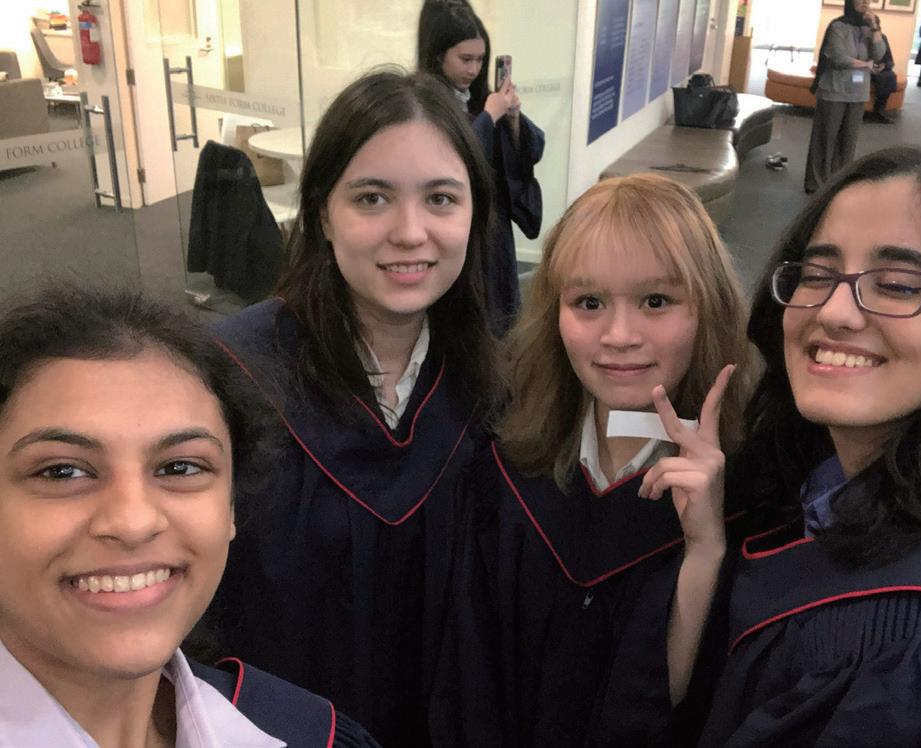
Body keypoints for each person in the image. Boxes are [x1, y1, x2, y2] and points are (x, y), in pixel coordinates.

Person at [700, 146, 921, 745]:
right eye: (817, 275)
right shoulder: (830, 486)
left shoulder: (914, 655)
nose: (835, 311)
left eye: (895, 284)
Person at [208, 69, 501, 746]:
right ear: (321, 215)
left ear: (473, 216)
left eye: (441, 199)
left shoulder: (489, 386)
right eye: (372, 198)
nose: (410, 232)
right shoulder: (231, 377)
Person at [433, 173, 756, 745]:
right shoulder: (507, 468)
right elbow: (470, 678)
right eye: (589, 303)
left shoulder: (752, 489)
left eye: (655, 301)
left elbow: (691, 707)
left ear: (708, 308)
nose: (619, 335)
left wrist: (705, 550)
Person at [0, 286, 378, 747]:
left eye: (179, 468)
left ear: (231, 506)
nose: (134, 523)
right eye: (62, 472)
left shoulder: (298, 731)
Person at [418, 0, 545, 334]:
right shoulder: (423, 101)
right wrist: (489, 117)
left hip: (493, 226)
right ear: (438, 55)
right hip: (457, 227)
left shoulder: (479, 98)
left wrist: (512, 119)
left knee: (499, 310)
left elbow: (528, 151)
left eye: (480, 60)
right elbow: (450, 160)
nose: (474, 69)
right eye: (465, 59)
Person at [805, 0, 887, 194]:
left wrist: (875, 28)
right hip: (835, 90)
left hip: (858, 92)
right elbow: (838, 58)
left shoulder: (870, 27)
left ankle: (839, 181)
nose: (865, 2)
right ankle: (816, 183)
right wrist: (866, 65)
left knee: (848, 140)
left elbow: (879, 54)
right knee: (826, 139)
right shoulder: (837, 26)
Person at [868, 32, 897, 123]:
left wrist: (884, 65)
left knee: (889, 76)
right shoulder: (856, 35)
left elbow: (889, 59)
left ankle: (879, 110)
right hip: (859, 69)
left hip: (878, 68)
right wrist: (868, 66)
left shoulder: (882, 37)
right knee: (857, 78)